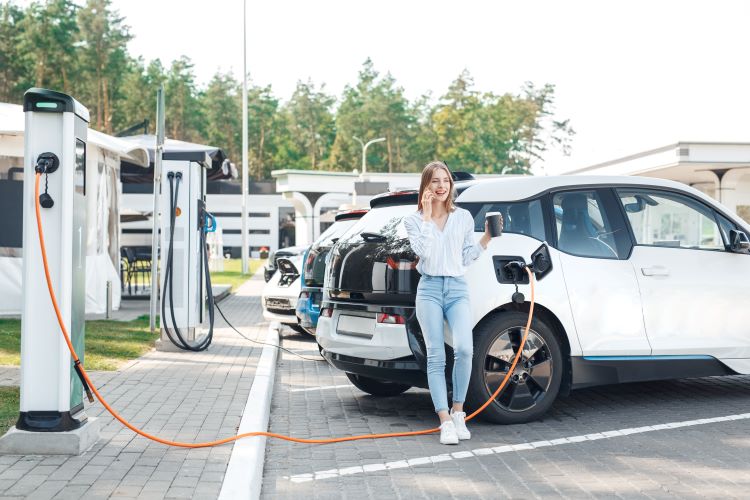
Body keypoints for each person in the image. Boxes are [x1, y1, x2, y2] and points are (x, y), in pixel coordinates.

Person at [403, 161, 499, 445]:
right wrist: (429, 217)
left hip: (457, 288)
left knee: (464, 349)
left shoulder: (464, 218)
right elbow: (424, 252)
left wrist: (487, 238)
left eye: (445, 180)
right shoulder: (413, 220)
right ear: (426, 186)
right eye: (434, 181)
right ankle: (444, 420)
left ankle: (459, 412)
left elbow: (466, 257)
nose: (441, 186)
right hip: (430, 288)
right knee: (436, 355)